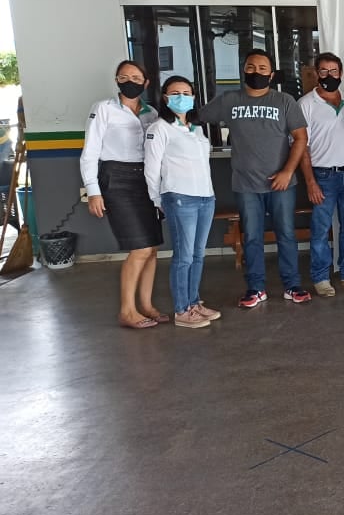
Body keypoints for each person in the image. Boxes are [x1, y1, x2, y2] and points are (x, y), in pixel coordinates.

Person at [198, 49, 311, 307]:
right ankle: (256, 288)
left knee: (286, 234)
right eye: (251, 67)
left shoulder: (284, 101)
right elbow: (195, 118)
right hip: (246, 184)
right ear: (243, 70)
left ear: (271, 74)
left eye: (262, 68)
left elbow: (301, 138)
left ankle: (292, 285)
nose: (256, 72)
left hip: (281, 183)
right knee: (251, 237)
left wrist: (287, 172)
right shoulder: (229, 100)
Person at [80, 60, 166, 329]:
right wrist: (93, 191)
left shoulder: (151, 113)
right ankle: (127, 311)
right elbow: (90, 152)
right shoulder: (104, 109)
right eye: (124, 77)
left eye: (136, 77)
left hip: (146, 180)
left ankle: (146, 305)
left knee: (152, 248)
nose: (130, 81)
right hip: (116, 179)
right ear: (117, 80)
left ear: (146, 82)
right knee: (140, 248)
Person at [144, 76, 219, 328]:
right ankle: (181, 310)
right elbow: (151, 169)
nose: (182, 97)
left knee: (198, 255)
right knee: (184, 256)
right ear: (165, 97)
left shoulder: (196, 129)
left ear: (194, 97)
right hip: (179, 197)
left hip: (205, 197)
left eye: (187, 93)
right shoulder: (159, 128)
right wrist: (157, 199)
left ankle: (193, 302)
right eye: (175, 93)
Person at [298, 52, 344, 297]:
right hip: (323, 176)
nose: (329, 75)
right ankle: (320, 277)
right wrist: (310, 182)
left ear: (341, 73)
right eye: (324, 71)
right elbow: (302, 148)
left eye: (334, 71)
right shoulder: (306, 104)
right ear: (317, 73)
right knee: (320, 229)